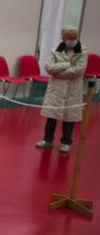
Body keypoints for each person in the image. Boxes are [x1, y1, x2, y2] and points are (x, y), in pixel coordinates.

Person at [36, 25, 88, 153]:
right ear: (63, 37)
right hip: (56, 89)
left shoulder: (83, 51)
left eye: (74, 37)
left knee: (69, 117)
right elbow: (48, 67)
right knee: (51, 116)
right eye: (69, 37)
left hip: (72, 90)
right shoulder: (55, 51)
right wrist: (67, 64)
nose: (72, 39)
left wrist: (58, 72)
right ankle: (48, 140)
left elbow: (78, 70)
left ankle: (66, 142)